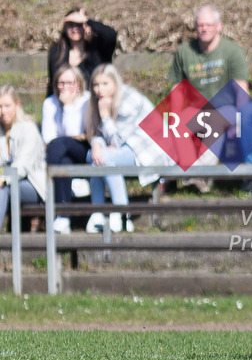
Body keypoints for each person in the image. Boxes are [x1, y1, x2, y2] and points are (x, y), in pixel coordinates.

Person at [168, 5, 252, 194]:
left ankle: (202, 174)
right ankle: (191, 172)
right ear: (195, 27)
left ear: (219, 26)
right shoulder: (184, 52)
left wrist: (239, 120)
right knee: (177, 124)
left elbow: (241, 88)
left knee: (217, 119)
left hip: (226, 109)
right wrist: (174, 117)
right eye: (200, 25)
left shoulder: (231, 51)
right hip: (195, 110)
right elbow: (176, 90)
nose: (204, 29)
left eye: (209, 25)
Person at [84, 64, 170, 233]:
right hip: (126, 149)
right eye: (95, 84)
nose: (99, 89)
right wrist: (96, 144)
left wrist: (105, 116)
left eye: (105, 84)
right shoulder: (99, 102)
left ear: (115, 83)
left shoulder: (130, 100)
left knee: (102, 159)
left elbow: (116, 141)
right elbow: (98, 133)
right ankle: (101, 214)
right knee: (96, 158)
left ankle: (120, 213)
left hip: (149, 150)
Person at [41, 65, 91, 234]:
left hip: (83, 150)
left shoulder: (87, 100)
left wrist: (68, 106)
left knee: (60, 144)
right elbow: (47, 138)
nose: (65, 87)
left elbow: (79, 135)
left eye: (70, 82)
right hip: (59, 155)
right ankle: (63, 218)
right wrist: (74, 136)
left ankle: (47, 192)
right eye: (61, 83)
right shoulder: (50, 103)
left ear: (78, 84)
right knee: (63, 160)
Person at [0, 86, 46, 232]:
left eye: (7, 106)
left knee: (4, 188)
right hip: (7, 181)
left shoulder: (28, 129)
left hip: (34, 185)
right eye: (0, 106)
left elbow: (22, 167)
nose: (3, 111)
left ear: (17, 105)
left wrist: (2, 177)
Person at [46, 8, 117, 97]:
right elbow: (52, 83)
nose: (75, 28)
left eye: (79, 25)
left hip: (94, 101)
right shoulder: (57, 51)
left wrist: (88, 20)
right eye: (70, 25)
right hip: (66, 102)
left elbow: (111, 34)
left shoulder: (97, 49)